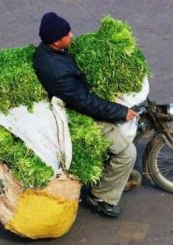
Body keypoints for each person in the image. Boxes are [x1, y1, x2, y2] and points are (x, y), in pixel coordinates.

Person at [33, 12, 139, 217]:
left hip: (76, 99)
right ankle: (100, 197)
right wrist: (120, 112)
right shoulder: (56, 71)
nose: (72, 35)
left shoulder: (52, 53)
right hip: (77, 114)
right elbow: (84, 103)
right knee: (127, 154)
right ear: (56, 42)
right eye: (67, 34)